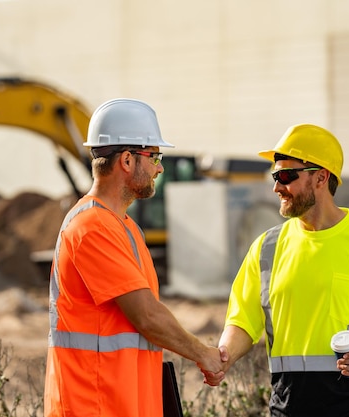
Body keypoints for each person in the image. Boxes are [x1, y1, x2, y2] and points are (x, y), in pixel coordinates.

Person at [205, 124, 349, 417]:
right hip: (287, 408)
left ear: (321, 177)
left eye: (286, 176)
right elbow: (242, 322)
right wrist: (222, 357)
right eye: (274, 177)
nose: (276, 186)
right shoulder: (267, 248)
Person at [43, 98, 224, 417]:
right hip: (95, 405)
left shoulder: (123, 227)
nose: (159, 167)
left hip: (121, 402)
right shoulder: (91, 227)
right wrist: (202, 354)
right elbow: (148, 316)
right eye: (154, 156)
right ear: (127, 160)